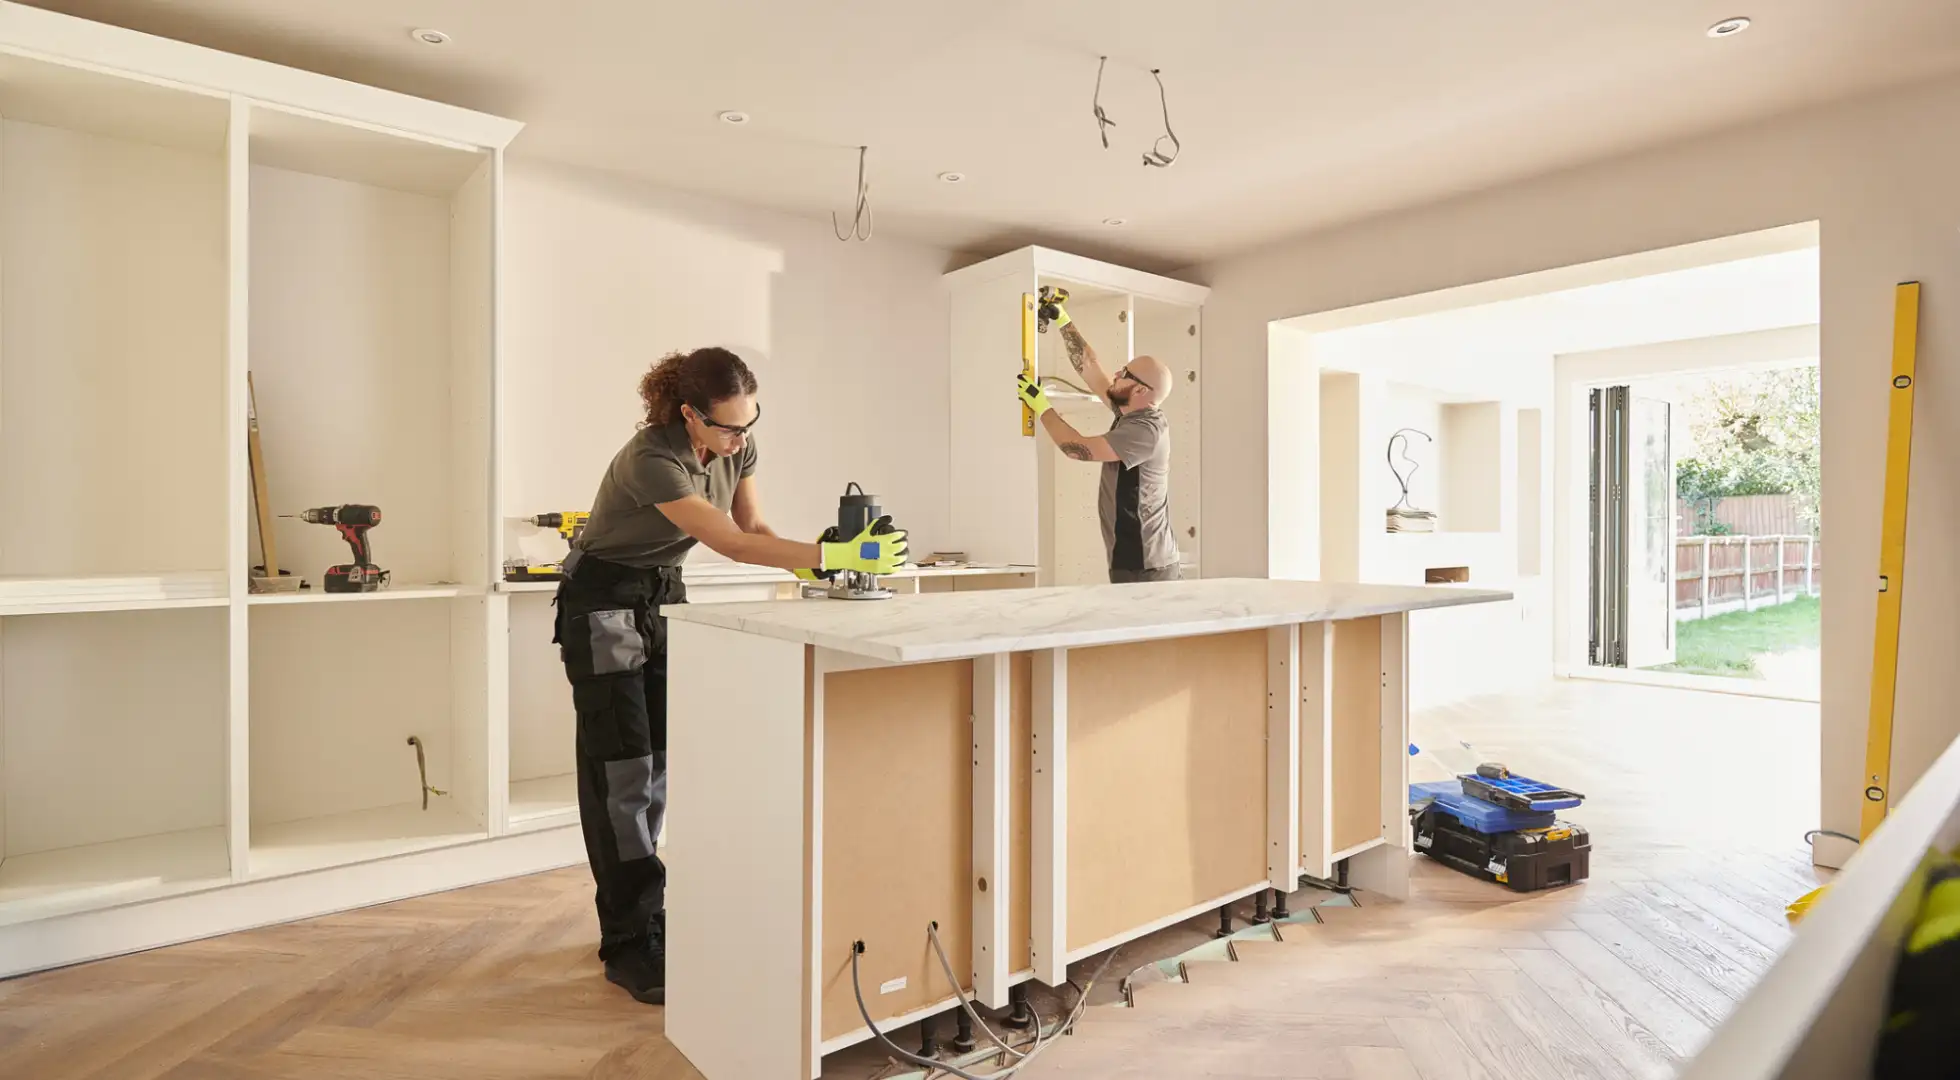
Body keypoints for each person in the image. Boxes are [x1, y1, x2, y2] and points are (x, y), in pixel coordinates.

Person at [555, 346, 908, 1005]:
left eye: (750, 423)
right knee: (620, 774)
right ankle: (628, 945)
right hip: (602, 603)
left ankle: (648, 918)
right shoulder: (650, 460)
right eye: (726, 426)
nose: (740, 438)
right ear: (688, 414)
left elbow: (756, 526)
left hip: (663, 596)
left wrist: (819, 566)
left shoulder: (740, 450)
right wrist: (834, 554)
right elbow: (730, 544)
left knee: (657, 765)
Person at [1015, 296, 1182, 583]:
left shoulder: (1145, 431)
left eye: (1126, 374)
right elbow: (1091, 368)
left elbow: (1078, 449)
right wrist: (1062, 319)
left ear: (1141, 391)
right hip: (1136, 560)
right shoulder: (1131, 411)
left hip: (1146, 566)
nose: (1117, 374)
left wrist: (1040, 405)